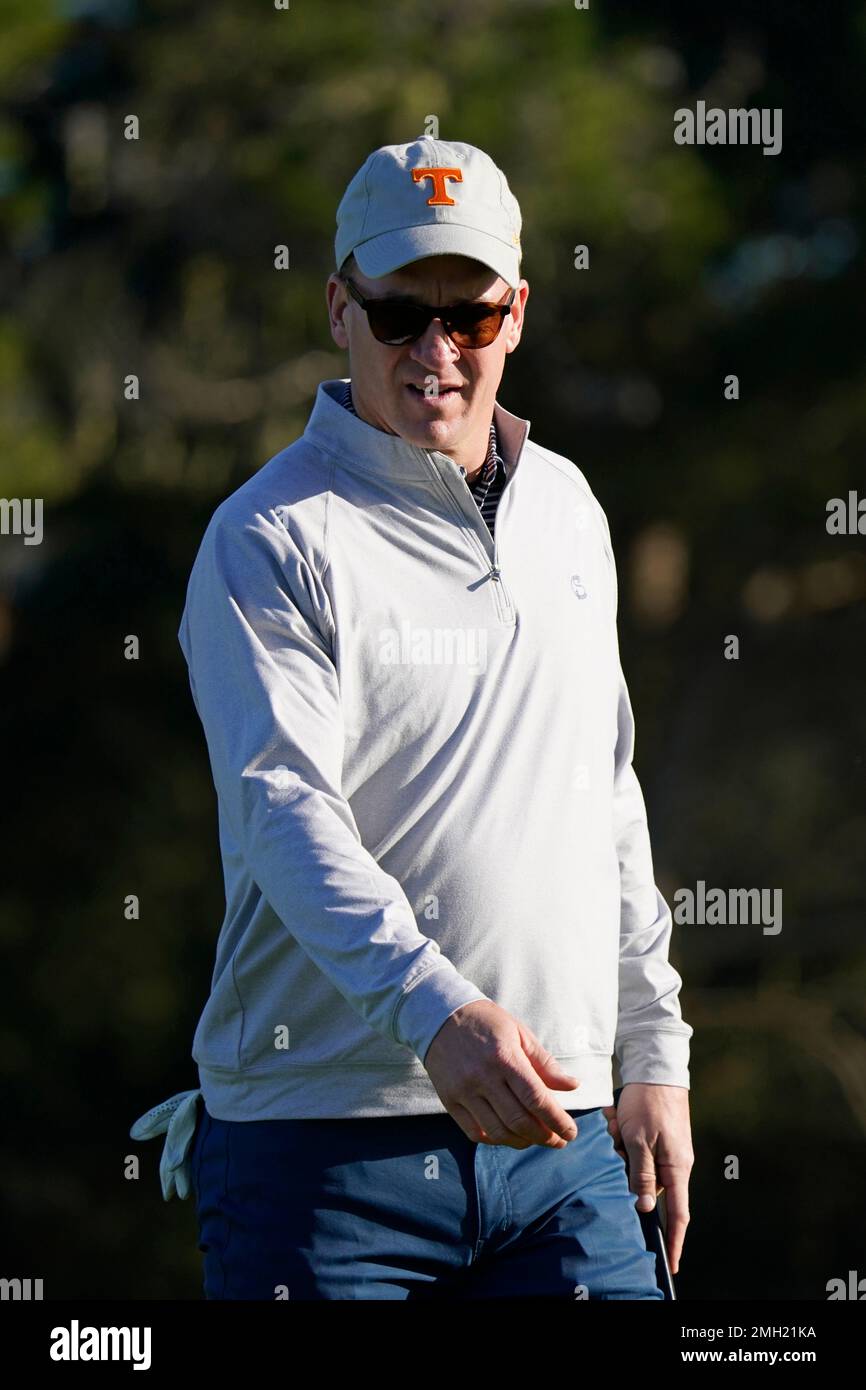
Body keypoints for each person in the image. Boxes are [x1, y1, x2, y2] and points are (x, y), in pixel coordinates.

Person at [130, 136, 695, 1300]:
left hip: (564, 1138)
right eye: (399, 316)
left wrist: (652, 1049)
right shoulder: (266, 537)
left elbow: (606, 792)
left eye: (469, 317)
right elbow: (286, 810)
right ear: (340, 308)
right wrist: (435, 1013)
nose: (436, 352)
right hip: (321, 1153)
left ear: (516, 315)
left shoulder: (569, 510)